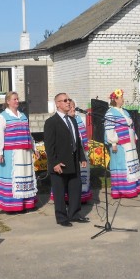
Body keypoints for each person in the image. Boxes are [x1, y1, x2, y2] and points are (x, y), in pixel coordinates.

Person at [44, 92, 88, 227]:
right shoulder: (51, 122)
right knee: (60, 191)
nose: (68, 102)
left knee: (75, 188)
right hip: (60, 163)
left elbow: (77, 141)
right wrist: (54, 163)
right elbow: (49, 145)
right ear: (57, 104)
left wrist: (81, 157)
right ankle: (62, 217)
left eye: (68, 100)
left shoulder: (73, 120)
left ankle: (74, 214)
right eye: (64, 100)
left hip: (73, 161)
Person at [0, 91, 38, 212]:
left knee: (25, 176)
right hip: (12, 153)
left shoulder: (23, 116)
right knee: (13, 178)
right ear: (8, 101)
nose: (17, 101)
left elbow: (28, 134)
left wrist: (34, 148)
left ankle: (26, 204)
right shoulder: (2, 116)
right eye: (14, 99)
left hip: (25, 153)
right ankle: (12, 205)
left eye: (17, 99)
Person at [104, 88, 140, 199]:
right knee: (121, 164)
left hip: (129, 143)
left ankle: (133, 187)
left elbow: (130, 125)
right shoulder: (110, 113)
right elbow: (109, 129)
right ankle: (122, 190)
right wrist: (114, 143)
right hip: (120, 145)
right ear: (115, 99)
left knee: (131, 163)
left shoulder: (125, 111)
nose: (123, 100)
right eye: (121, 98)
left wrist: (133, 136)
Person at [70, 99, 92, 202]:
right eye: (70, 107)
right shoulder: (67, 120)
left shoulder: (78, 119)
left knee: (83, 172)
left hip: (81, 150)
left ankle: (83, 195)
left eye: (74, 106)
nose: (73, 109)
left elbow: (83, 135)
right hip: (71, 152)